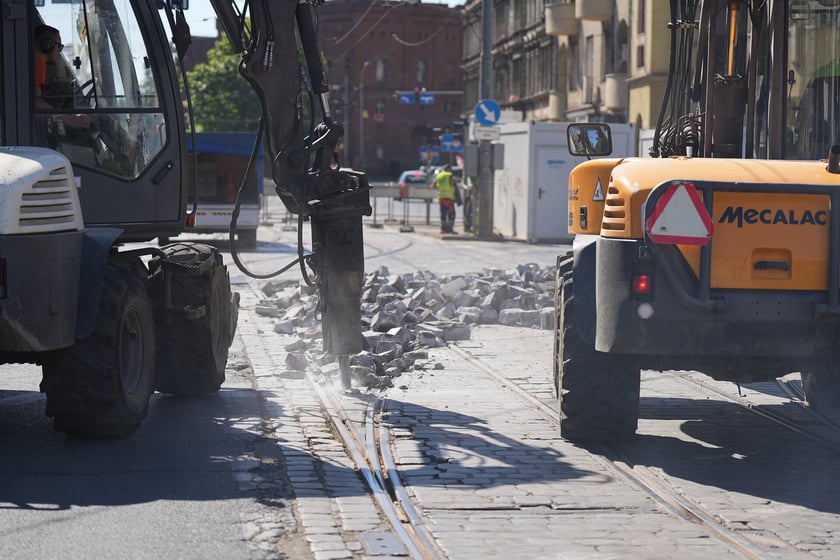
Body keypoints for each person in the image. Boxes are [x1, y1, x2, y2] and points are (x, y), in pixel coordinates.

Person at [33, 24, 91, 130]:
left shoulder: (35, 63)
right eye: (59, 46)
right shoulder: (37, 63)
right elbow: (35, 103)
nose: (59, 52)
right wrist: (67, 119)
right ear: (48, 45)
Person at [435, 164, 459, 234]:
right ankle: (450, 229)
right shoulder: (449, 175)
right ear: (448, 169)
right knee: (451, 214)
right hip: (449, 199)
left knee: (443, 214)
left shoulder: (439, 176)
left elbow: (435, 185)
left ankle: (443, 229)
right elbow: (453, 182)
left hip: (441, 198)